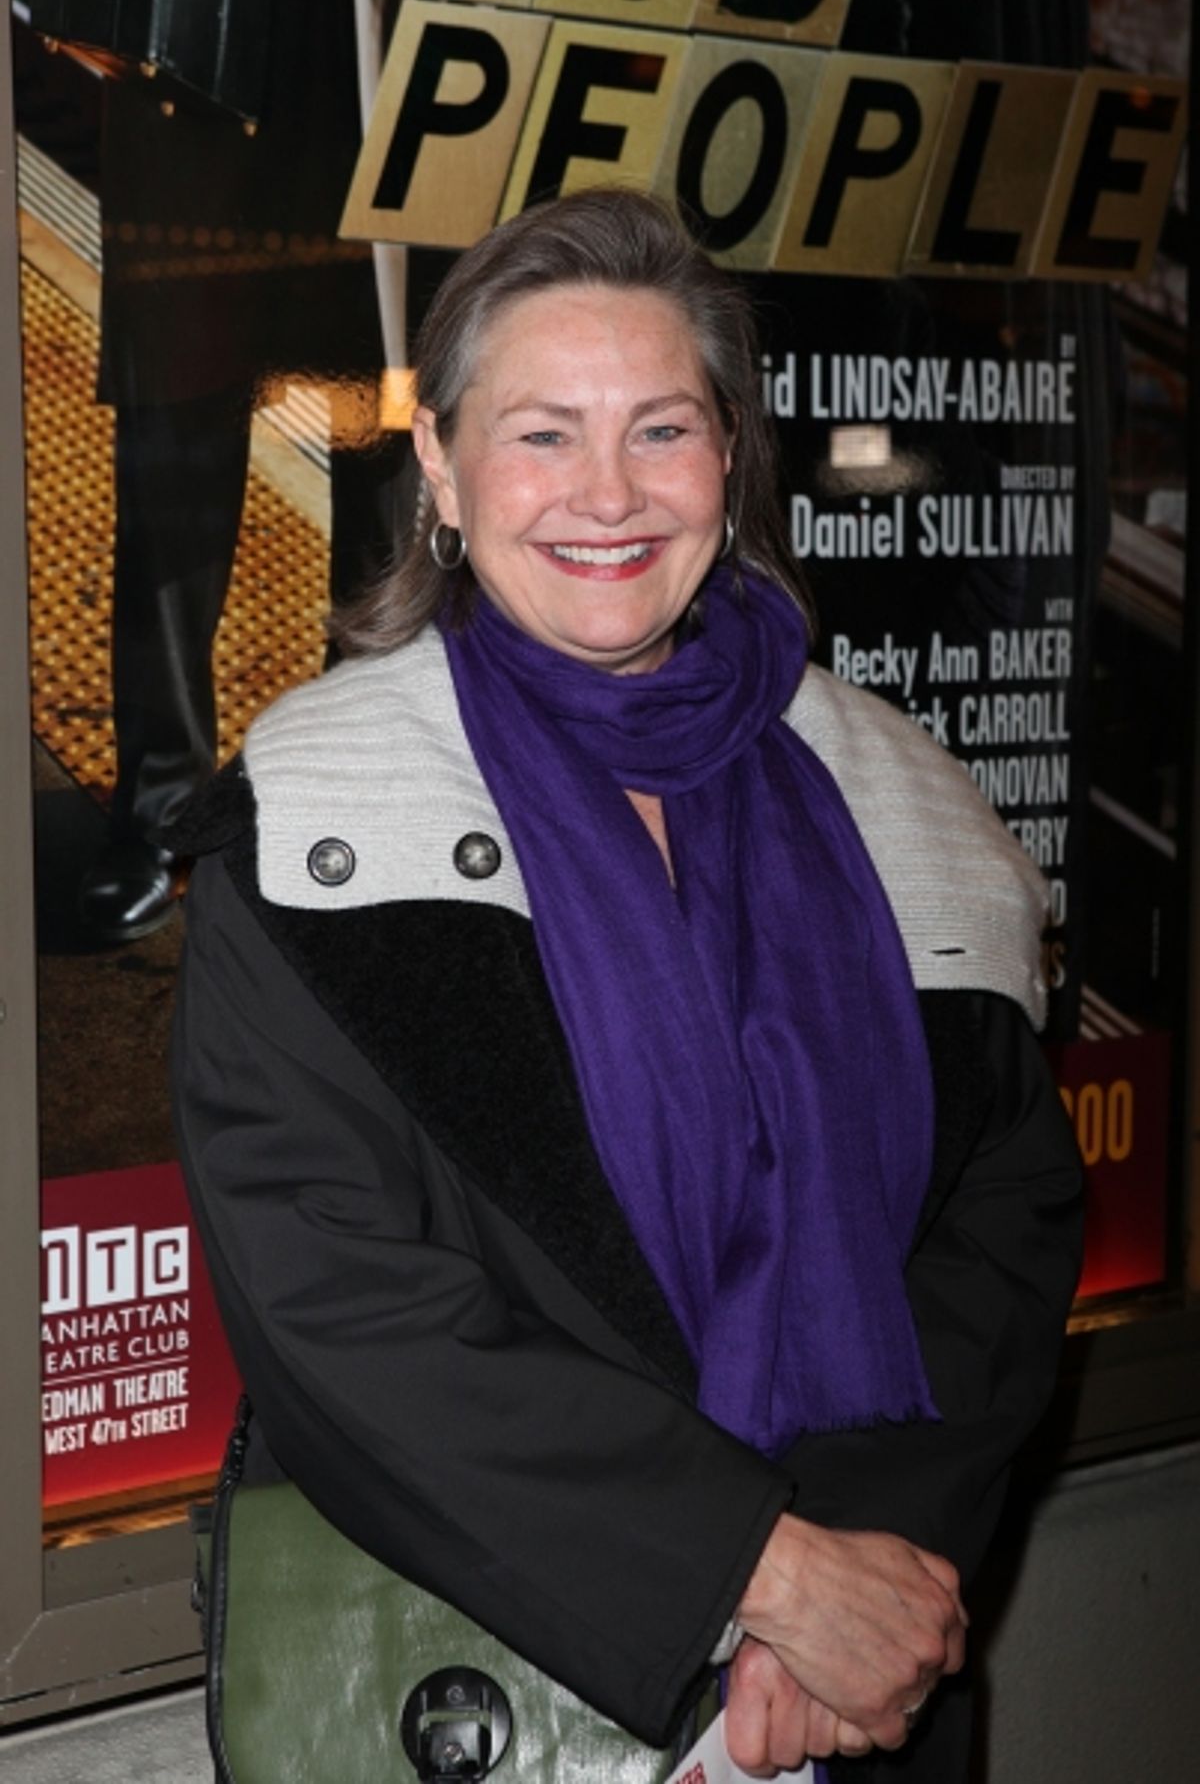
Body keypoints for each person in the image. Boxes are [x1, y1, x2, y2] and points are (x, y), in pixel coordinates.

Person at [170, 188, 1083, 1780]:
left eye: (661, 429)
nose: (607, 494)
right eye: (542, 434)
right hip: (476, 1690)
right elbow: (344, 1305)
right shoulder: (320, 820)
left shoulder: (907, 805)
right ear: (443, 470)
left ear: (731, 467)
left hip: (856, 1707)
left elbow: (1005, 1214)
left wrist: (867, 1564)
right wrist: (754, 1575)